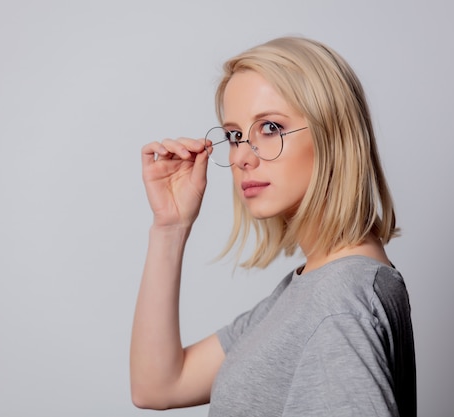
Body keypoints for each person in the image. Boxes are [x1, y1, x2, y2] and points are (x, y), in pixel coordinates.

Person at [130, 36, 416, 416]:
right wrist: (170, 226)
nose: (243, 157)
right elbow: (158, 386)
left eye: (269, 127)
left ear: (333, 133)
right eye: (235, 136)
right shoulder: (311, 286)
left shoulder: (340, 302)